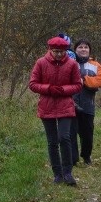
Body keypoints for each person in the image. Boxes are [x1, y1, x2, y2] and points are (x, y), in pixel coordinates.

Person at [29, 36, 82, 185]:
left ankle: (68, 172)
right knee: (52, 141)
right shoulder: (41, 63)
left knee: (64, 137)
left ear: (66, 51)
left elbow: (78, 85)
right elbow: (33, 84)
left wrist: (63, 90)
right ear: (50, 50)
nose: (59, 54)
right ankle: (57, 174)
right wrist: (48, 88)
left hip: (65, 105)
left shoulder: (72, 64)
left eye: (61, 52)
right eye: (56, 51)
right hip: (47, 105)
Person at [70, 39, 101, 166]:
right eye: (80, 47)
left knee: (87, 134)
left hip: (87, 105)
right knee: (71, 133)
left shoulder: (96, 65)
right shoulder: (69, 63)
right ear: (75, 50)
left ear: (89, 50)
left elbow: (100, 81)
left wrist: (84, 80)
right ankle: (73, 159)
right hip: (70, 104)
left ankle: (86, 156)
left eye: (86, 47)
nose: (83, 49)